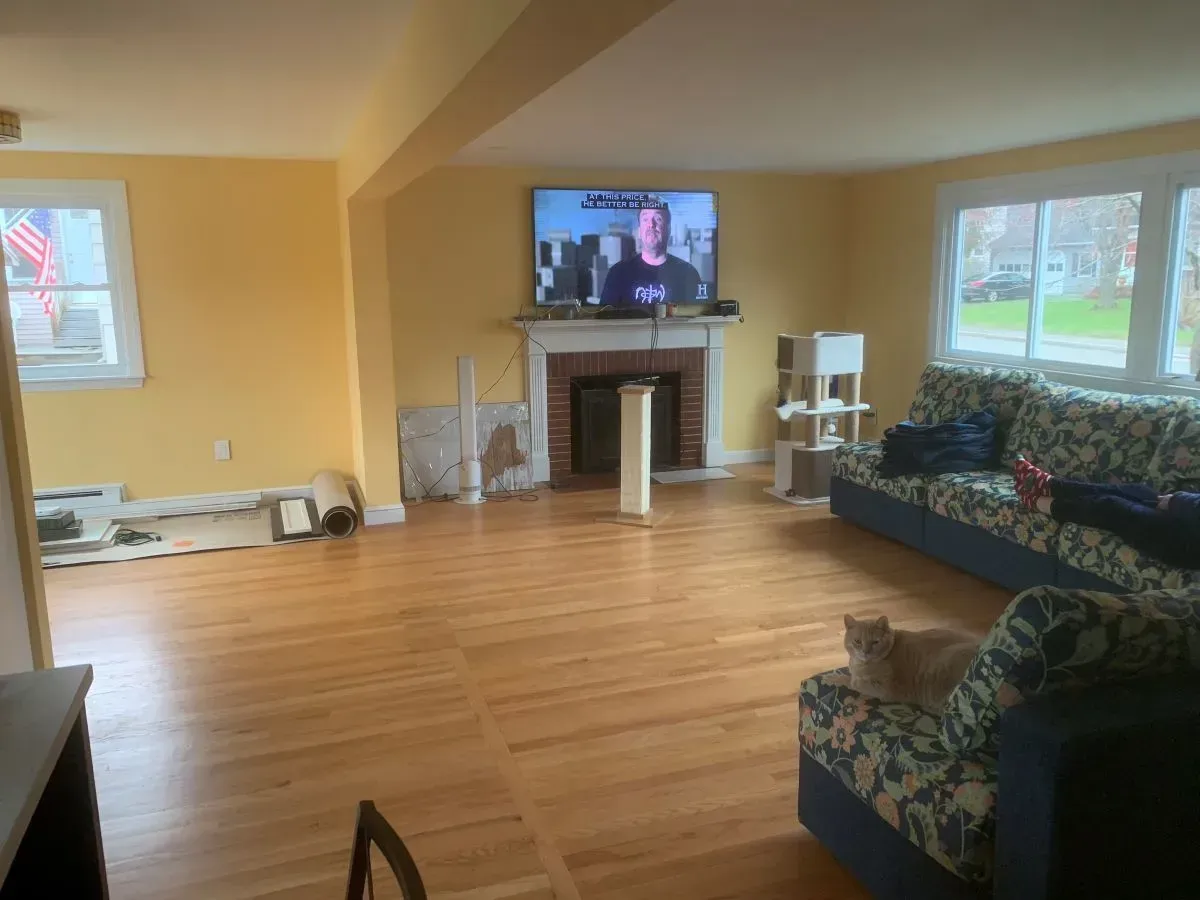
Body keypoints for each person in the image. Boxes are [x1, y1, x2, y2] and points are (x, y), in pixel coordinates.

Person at [1013, 456, 1199, 569]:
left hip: (1190, 544)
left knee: (1111, 506)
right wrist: (1178, 501)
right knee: (1137, 490)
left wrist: (1177, 501)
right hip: (1190, 518)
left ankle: (1039, 502)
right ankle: (1049, 484)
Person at [600, 204, 701, 306]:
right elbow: (604, 318)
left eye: (658, 219)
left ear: (669, 229)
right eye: (645, 219)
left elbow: (698, 315)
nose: (651, 224)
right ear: (639, 231)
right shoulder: (617, 273)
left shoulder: (689, 273)